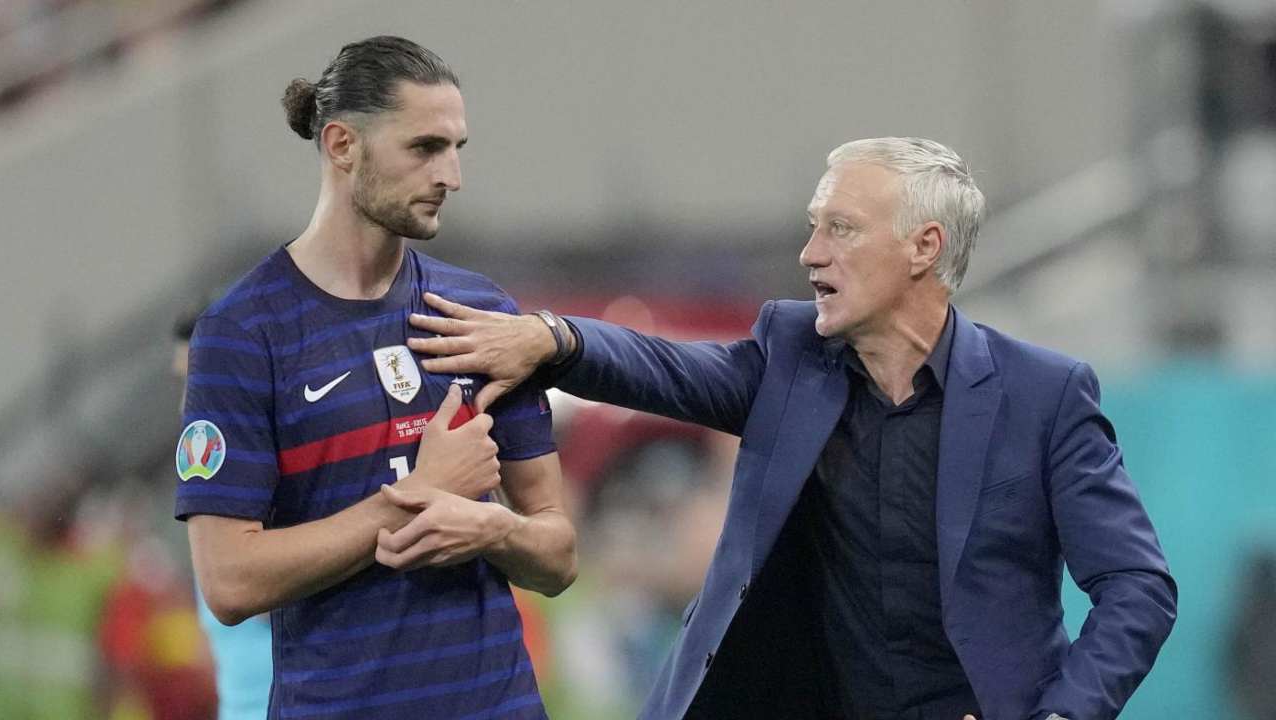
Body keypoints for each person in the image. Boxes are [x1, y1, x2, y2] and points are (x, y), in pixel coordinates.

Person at [397, 137, 1177, 720]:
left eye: (840, 229)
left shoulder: (1044, 394)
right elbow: (664, 368)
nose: (810, 254)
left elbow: (1138, 586)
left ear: (923, 249)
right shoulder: (791, 356)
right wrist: (556, 339)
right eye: (813, 226)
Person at [174, 36, 576, 720]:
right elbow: (230, 580)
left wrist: (489, 530)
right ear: (341, 146)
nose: (451, 174)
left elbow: (558, 554)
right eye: (425, 147)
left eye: (457, 148)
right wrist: (415, 496)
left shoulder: (479, 315)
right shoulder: (243, 333)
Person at [174, 302, 273, 720]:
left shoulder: (287, 491)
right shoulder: (218, 500)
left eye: (199, 383)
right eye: (181, 384)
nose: (185, 406)